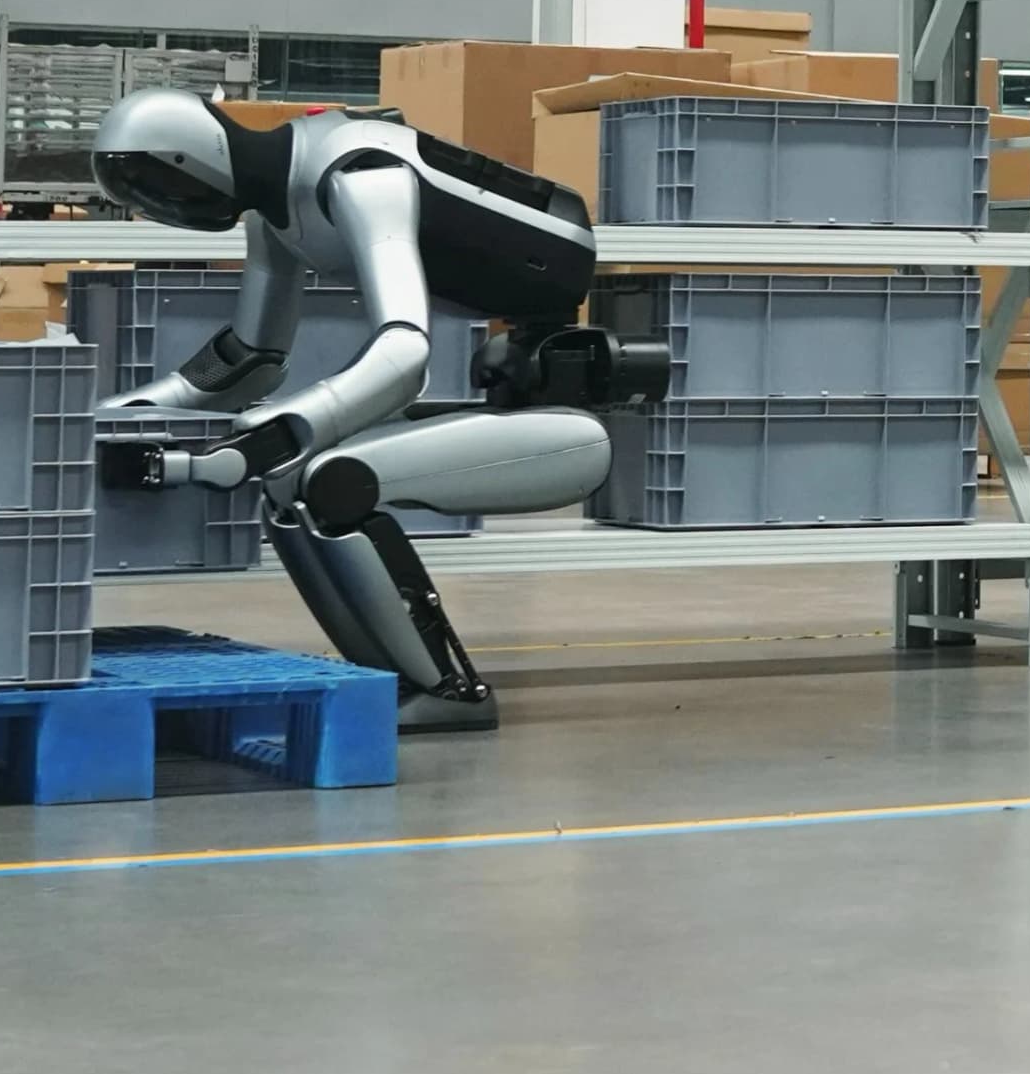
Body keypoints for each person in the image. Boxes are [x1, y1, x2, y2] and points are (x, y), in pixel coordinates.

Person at [91, 90, 652, 729]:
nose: (167, 204)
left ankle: (446, 692)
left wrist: (281, 432)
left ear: (193, 159)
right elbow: (248, 357)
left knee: (333, 480)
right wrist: (115, 415)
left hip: (565, 426)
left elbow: (403, 354)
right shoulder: (277, 209)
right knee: (292, 487)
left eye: (163, 184)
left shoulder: (360, 173)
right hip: (525, 382)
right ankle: (388, 680)